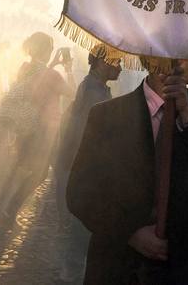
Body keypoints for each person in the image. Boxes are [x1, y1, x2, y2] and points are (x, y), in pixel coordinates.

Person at [66, 59, 188, 285]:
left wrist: (187, 114)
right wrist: (130, 233)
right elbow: (80, 192)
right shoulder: (107, 115)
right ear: (156, 62)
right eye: (184, 55)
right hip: (121, 265)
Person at [55, 45, 122, 284]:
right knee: (84, 221)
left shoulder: (96, 86)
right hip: (85, 165)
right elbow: (91, 133)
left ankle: (75, 270)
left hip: (83, 163)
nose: (121, 68)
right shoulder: (94, 91)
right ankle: (71, 271)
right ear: (102, 63)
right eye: (117, 63)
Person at [0, 32, 67, 218]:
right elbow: (71, 92)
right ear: (45, 50)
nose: (52, 52)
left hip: (26, 125)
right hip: (43, 128)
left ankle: (5, 205)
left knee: (25, 166)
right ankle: (10, 207)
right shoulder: (50, 74)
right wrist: (66, 68)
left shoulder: (25, 67)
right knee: (42, 171)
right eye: (51, 49)